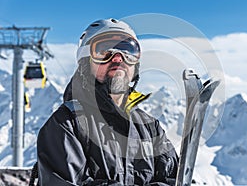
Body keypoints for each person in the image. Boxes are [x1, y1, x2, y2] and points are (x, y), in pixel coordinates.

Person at [37, 18, 178, 185]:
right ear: (85, 62)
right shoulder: (66, 125)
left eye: (128, 51)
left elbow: (176, 179)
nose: (118, 59)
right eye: (104, 51)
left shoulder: (150, 128)